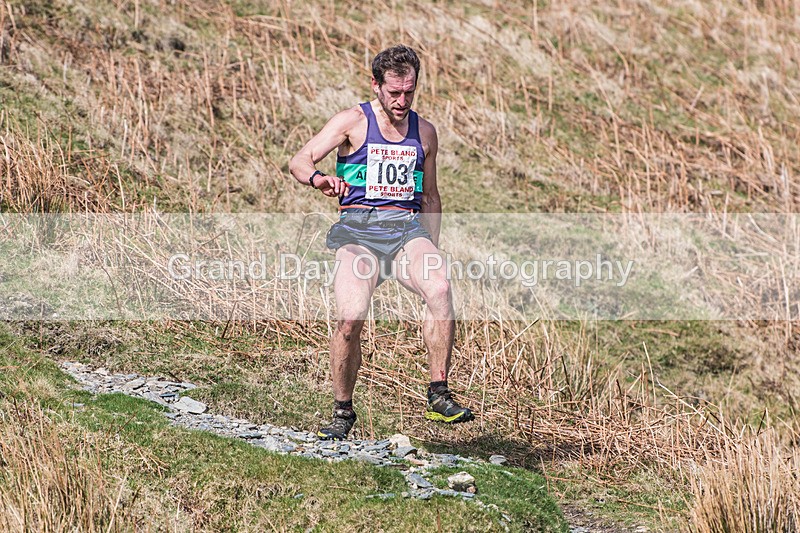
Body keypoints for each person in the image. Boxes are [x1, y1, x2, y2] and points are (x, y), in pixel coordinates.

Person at [289, 45, 474, 440]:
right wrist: (319, 179)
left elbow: (431, 197)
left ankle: (439, 394)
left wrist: (431, 248)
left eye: (409, 92)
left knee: (439, 286)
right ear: (376, 85)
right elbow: (300, 160)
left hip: (407, 232)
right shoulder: (352, 122)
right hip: (358, 234)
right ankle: (342, 412)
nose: (402, 101)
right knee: (350, 318)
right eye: (394, 92)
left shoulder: (425, 132)